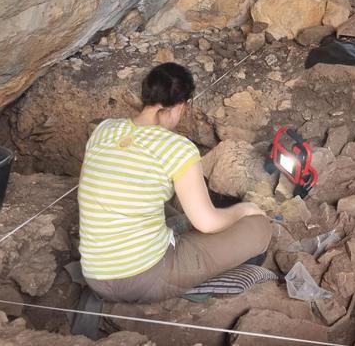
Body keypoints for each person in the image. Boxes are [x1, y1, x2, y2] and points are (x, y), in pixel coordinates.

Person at [77, 63, 272, 303]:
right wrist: (244, 210)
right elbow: (207, 223)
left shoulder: (103, 130)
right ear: (181, 105)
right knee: (259, 228)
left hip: (95, 275)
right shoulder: (177, 148)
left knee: (174, 208)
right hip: (144, 279)